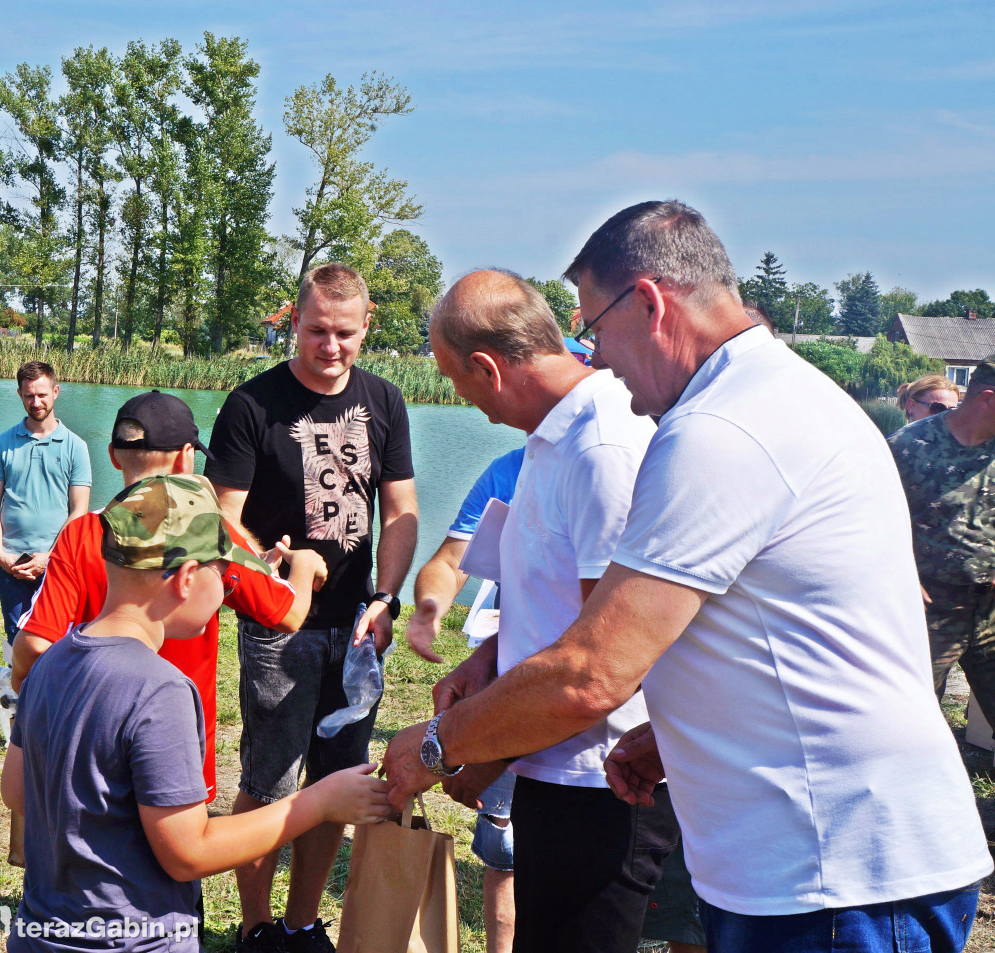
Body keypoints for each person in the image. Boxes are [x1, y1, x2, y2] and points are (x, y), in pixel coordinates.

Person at [383, 201, 992, 953]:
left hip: (840, 872)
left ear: (649, 303)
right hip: (811, 863)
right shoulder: (766, 400)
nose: (593, 354)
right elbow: (783, 618)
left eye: (595, 328)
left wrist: (439, 744)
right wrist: (673, 735)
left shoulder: (721, 429)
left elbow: (592, 672)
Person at [406, 269, 683, 953]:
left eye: (455, 381)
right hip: (553, 767)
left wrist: (454, 750)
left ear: (485, 367)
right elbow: (561, 606)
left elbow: (608, 660)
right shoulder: (548, 440)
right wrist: (487, 660)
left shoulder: (601, 449)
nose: (463, 400)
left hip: (604, 781)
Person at [1, 474, 390, 953]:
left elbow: (16, 791)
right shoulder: (160, 690)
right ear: (188, 578)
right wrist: (321, 801)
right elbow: (190, 851)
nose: (228, 583)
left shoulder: (47, 664)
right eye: (223, 571)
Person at [205, 262, 418, 953]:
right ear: (294, 320)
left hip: (358, 630)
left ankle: (301, 922)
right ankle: (256, 924)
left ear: (366, 327)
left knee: (341, 780)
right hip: (279, 625)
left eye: (346, 333)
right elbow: (220, 517)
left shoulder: (385, 400)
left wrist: (386, 597)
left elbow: (402, 510)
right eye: (318, 330)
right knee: (269, 781)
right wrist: (269, 567)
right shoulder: (251, 404)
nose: (331, 346)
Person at [10, 390, 324, 802]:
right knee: (175, 847)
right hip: (177, 739)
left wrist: (29, 701)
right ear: (187, 458)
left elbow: (34, 644)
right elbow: (288, 613)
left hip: (89, 738)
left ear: (113, 455)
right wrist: (302, 563)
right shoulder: (207, 534)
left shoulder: (80, 532)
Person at [405, 447, 524, 953]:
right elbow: (451, 561)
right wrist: (430, 606)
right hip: (505, 681)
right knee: (503, 845)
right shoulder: (509, 469)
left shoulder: (628, 455)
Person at [888, 359, 995, 728]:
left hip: (991, 612)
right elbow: (866, 523)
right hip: (928, 613)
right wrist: (898, 573)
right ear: (988, 399)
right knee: (910, 725)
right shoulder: (908, 447)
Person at [0, 361, 91, 659]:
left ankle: (56, 702)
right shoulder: (3, 443)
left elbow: (79, 510)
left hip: (58, 563)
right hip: (12, 563)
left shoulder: (75, 446)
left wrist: (50, 557)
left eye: (42, 394)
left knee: (60, 641)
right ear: (20, 394)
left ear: (56, 392)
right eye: (29, 395)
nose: (36, 402)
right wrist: (0, 554)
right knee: (17, 640)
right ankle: (21, 702)